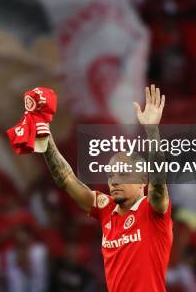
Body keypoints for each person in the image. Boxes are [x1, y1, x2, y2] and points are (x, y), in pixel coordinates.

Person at [40, 85, 172, 292]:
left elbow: (158, 186)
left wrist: (152, 131)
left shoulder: (153, 211)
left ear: (142, 180)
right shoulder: (105, 209)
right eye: (111, 175)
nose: (115, 181)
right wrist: (44, 137)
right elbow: (65, 178)